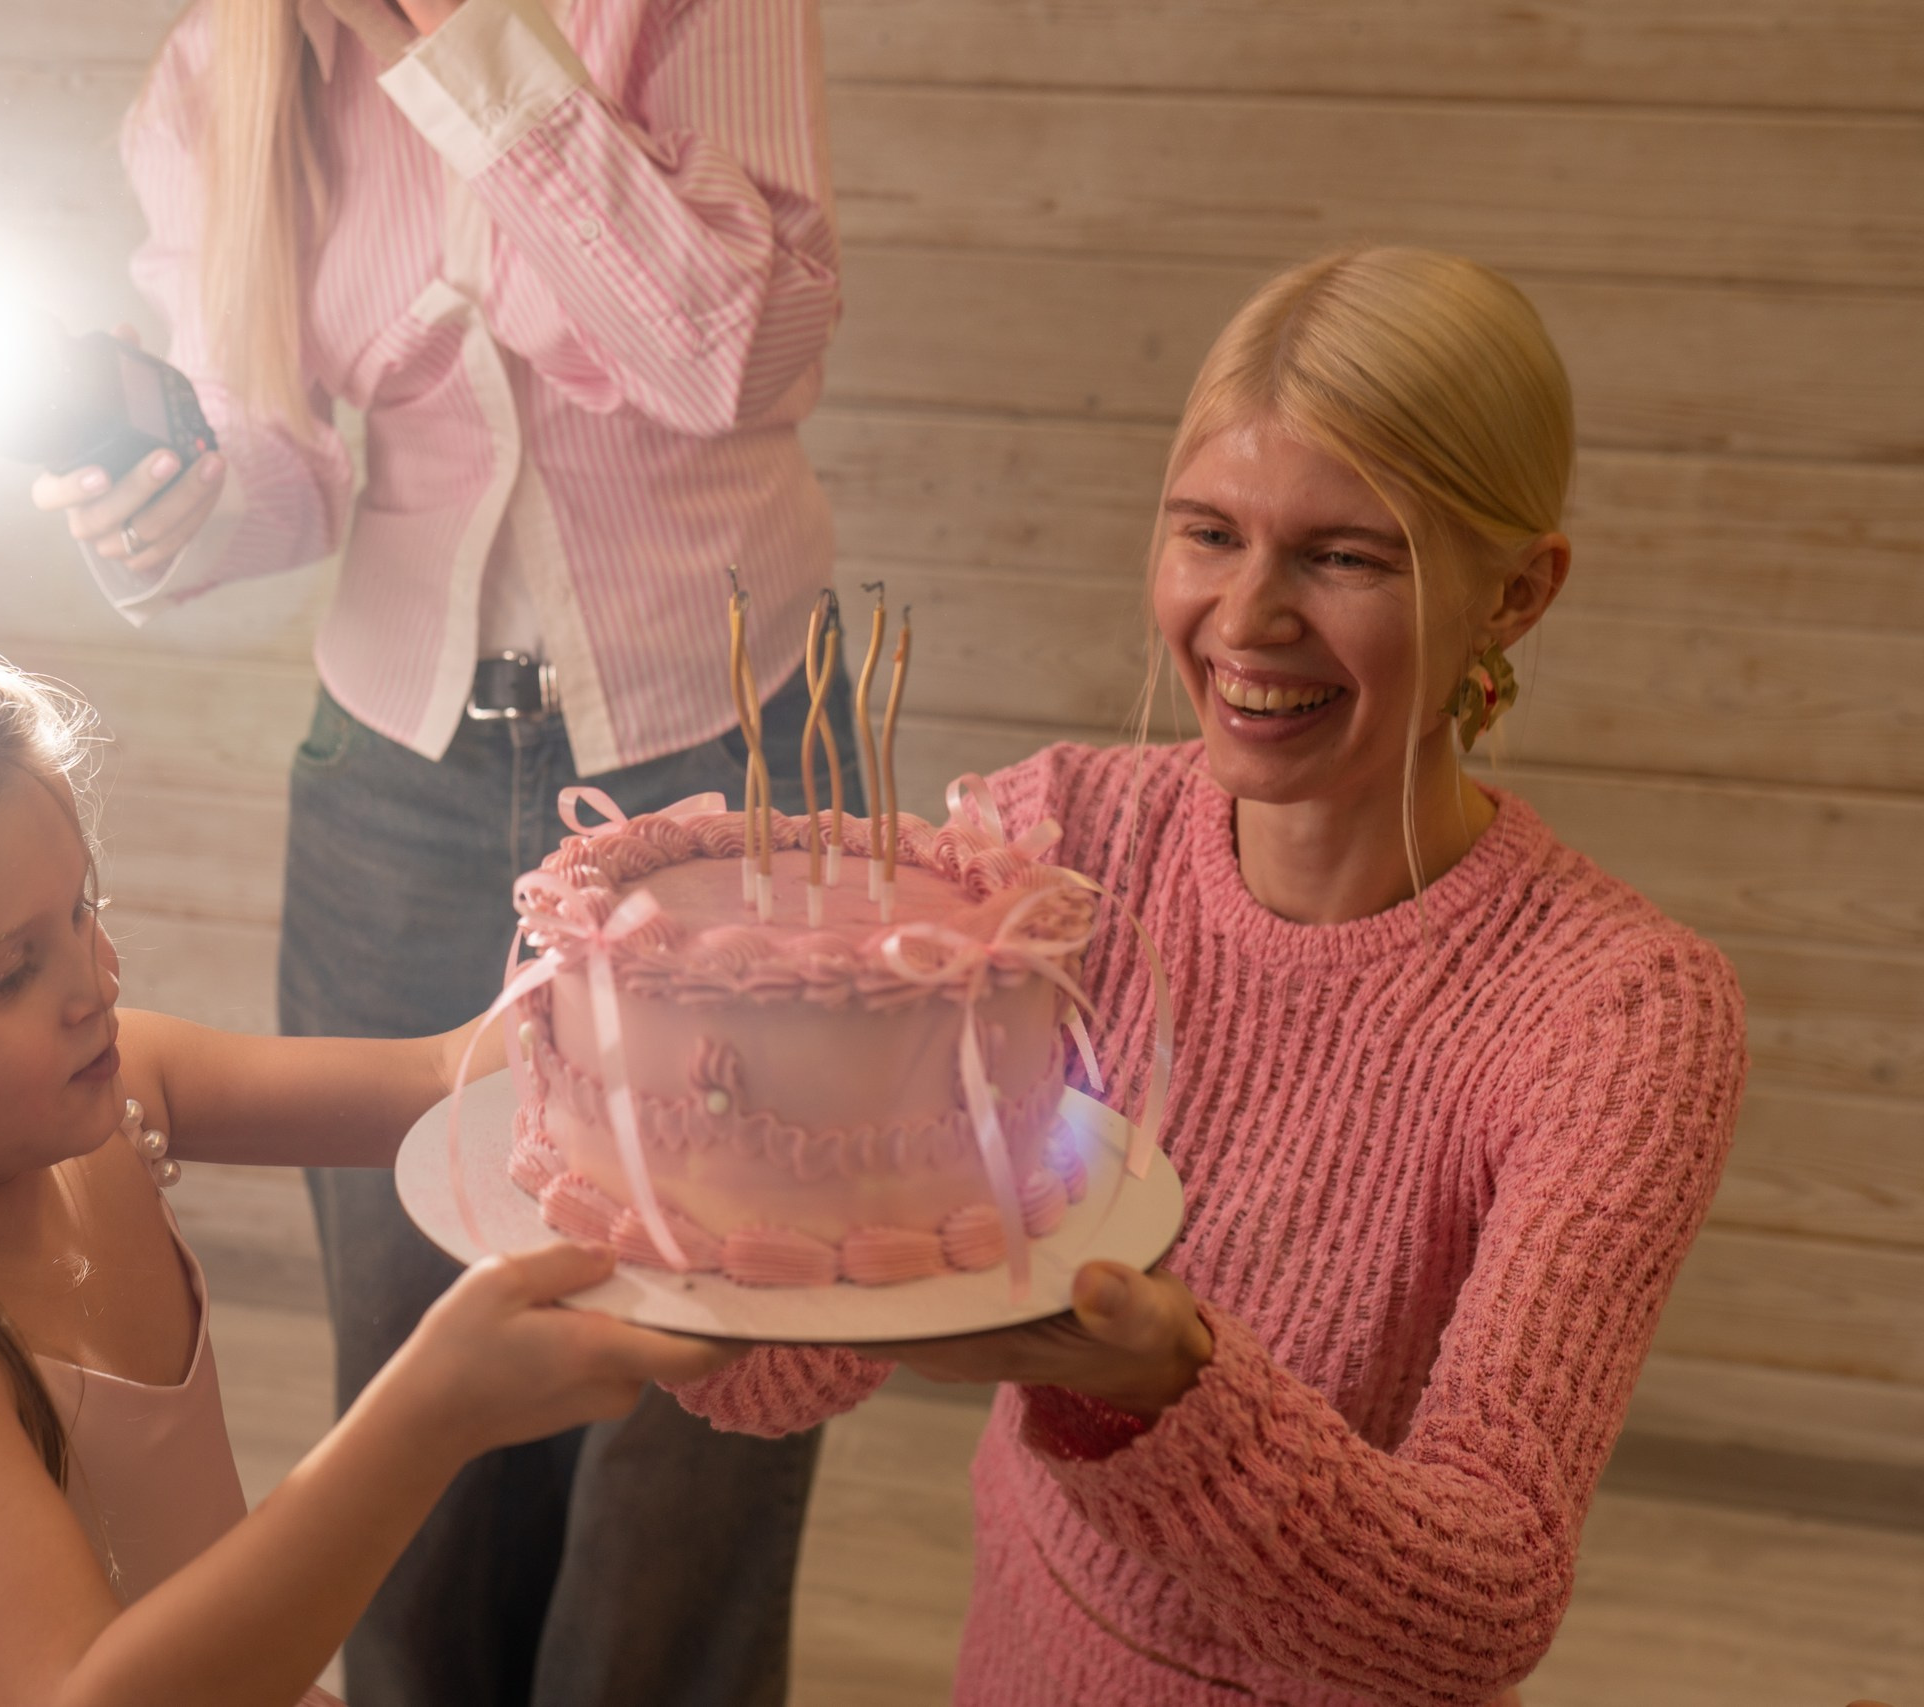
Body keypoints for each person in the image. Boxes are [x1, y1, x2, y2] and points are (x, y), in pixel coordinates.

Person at [674, 248, 1749, 1706]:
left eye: (1345, 554)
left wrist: (1168, 1382)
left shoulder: (1618, 1016)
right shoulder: (1049, 852)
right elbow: (780, 1380)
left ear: (1518, 592)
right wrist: (708, 1199)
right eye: (1208, 533)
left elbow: (1478, 1605)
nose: (1247, 617)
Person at [29, 0, 850, 1699]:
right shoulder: (223, 74)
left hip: (730, 748)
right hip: (392, 783)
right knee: (406, 1333)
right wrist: (166, 509)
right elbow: (288, 474)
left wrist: (464, 45)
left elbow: (739, 354)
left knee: (705, 1351)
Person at [0, 607, 728, 1707]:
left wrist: (646, 968)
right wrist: (424, 1416)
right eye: (9, 971)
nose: (95, 982)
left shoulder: (115, 1090)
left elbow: (437, 1080)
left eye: (82, 912)